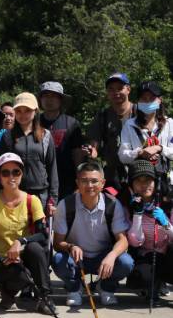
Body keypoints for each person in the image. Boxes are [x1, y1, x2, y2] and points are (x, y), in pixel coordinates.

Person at [0, 153, 54, 314]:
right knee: (20, 276)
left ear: (22, 174)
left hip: (23, 255)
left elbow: (43, 234)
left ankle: (45, 298)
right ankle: (8, 292)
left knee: (36, 249)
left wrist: (21, 241)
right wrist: (0, 258)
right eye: (5, 173)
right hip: (0, 261)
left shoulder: (32, 200)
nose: (11, 177)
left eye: (16, 172)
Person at [51, 161, 133, 306]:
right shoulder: (65, 205)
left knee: (125, 262)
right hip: (76, 258)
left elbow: (123, 240)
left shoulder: (113, 204)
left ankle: (105, 287)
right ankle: (75, 288)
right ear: (77, 182)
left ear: (102, 183)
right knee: (58, 260)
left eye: (94, 181)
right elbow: (57, 243)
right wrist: (70, 247)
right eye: (84, 181)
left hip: (103, 256)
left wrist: (111, 256)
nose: (89, 186)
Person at [123, 160, 173, 303]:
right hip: (147, 255)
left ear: (155, 182)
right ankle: (153, 286)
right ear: (131, 185)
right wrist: (138, 215)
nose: (144, 185)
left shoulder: (169, 203)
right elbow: (136, 242)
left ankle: (161, 281)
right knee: (142, 276)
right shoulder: (128, 205)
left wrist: (166, 224)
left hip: (168, 253)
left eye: (148, 180)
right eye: (138, 181)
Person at [0, 92, 58, 212]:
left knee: (39, 230)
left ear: (35, 111)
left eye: (27, 110)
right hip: (14, 193)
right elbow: (1, 168)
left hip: (41, 195)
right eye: (19, 111)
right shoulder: (8, 136)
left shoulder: (45, 135)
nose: (22, 114)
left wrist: (53, 199)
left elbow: (52, 168)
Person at [118, 80, 173, 204]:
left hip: (163, 182)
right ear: (138, 102)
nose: (148, 101)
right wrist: (140, 152)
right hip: (139, 181)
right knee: (137, 215)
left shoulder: (169, 124)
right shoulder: (129, 125)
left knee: (163, 218)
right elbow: (122, 155)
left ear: (159, 100)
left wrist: (160, 148)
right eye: (144, 98)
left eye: (152, 98)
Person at [85, 72, 135, 194]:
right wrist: (93, 151)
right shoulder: (103, 116)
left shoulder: (139, 113)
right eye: (111, 89)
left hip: (138, 172)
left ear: (128, 89)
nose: (116, 92)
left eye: (120, 88)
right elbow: (94, 141)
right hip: (113, 176)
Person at [38, 81, 84, 199]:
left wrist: (80, 181)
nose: (49, 100)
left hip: (66, 182)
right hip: (38, 181)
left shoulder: (72, 123)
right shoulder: (33, 123)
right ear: (40, 99)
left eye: (53, 96)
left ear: (61, 100)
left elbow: (77, 155)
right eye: (46, 96)